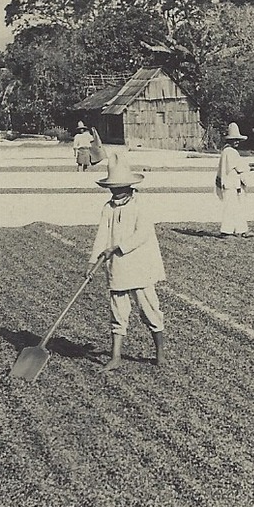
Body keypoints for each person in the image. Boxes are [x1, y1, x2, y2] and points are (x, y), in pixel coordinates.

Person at [89, 155, 167, 372]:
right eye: (112, 188)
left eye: (120, 187)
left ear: (129, 186)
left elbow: (142, 234)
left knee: (149, 309)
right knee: (118, 311)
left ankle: (159, 352)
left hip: (140, 266)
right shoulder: (108, 207)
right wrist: (92, 262)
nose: (115, 192)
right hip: (118, 268)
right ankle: (115, 356)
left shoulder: (140, 205)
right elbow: (101, 235)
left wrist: (116, 248)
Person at [215, 122, 254, 237]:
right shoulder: (231, 152)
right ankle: (227, 231)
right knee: (231, 208)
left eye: (237, 139)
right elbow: (240, 168)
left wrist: (252, 164)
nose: (236, 142)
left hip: (232, 184)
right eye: (234, 139)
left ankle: (241, 230)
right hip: (230, 185)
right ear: (229, 140)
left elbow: (238, 164)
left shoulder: (226, 151)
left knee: (237, 207)